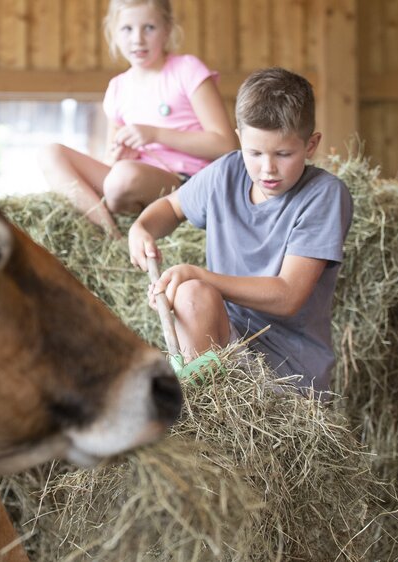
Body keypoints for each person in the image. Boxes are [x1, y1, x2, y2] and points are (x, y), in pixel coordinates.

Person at [128, 67, 354, 395]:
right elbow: (171, 208)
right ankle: (203, 407)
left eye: (283, 154)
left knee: (194, 285)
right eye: (255, 152)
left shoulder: (323, 195)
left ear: (311, 145)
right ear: (239, 139)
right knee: (191, 294)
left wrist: (201, 275)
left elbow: (288, 296)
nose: (267, 168)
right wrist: (142, 228)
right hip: (227, 343)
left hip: (288, 372)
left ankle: (204, 403)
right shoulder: (227, 173)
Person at [39, 0, 237, 237]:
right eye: (127, 29)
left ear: (167, 29)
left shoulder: (187, 70)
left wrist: (155, 134)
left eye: (149, 28)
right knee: (50, 153)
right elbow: (110, 161)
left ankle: (114, 226)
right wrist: (116, 156)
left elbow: (227, 145)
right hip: (127, 180)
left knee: (123, 177)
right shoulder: (117, 88)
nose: (138, 39)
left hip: (185, 183)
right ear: (113, 33)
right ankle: (110, 236)